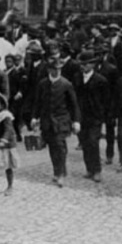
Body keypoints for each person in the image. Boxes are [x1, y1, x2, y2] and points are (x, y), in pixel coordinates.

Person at [32, 58, 80, 188]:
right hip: (47, 120)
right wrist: (34, 118)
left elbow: (74, 105)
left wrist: (76, 121)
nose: (57, 71)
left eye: (59, 69)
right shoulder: (43, 84)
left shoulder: (66, 84)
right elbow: (37, 102)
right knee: (52, 146)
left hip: (61, 121)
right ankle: (56, 171)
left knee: (60, 146)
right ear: (49, 70)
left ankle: (61, 174)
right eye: (54, 69)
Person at [74, 50, 109, 183]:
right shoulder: (77, 77)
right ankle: (89, 169)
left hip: (95, 117)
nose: (82, 66)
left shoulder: (101, 80)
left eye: (85, 64)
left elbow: (106, 100)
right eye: (81, 64)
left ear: (92, 65)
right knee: (85, 143)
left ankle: (97, 170)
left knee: (93, 142)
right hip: (81, 116)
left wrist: (103, 116)